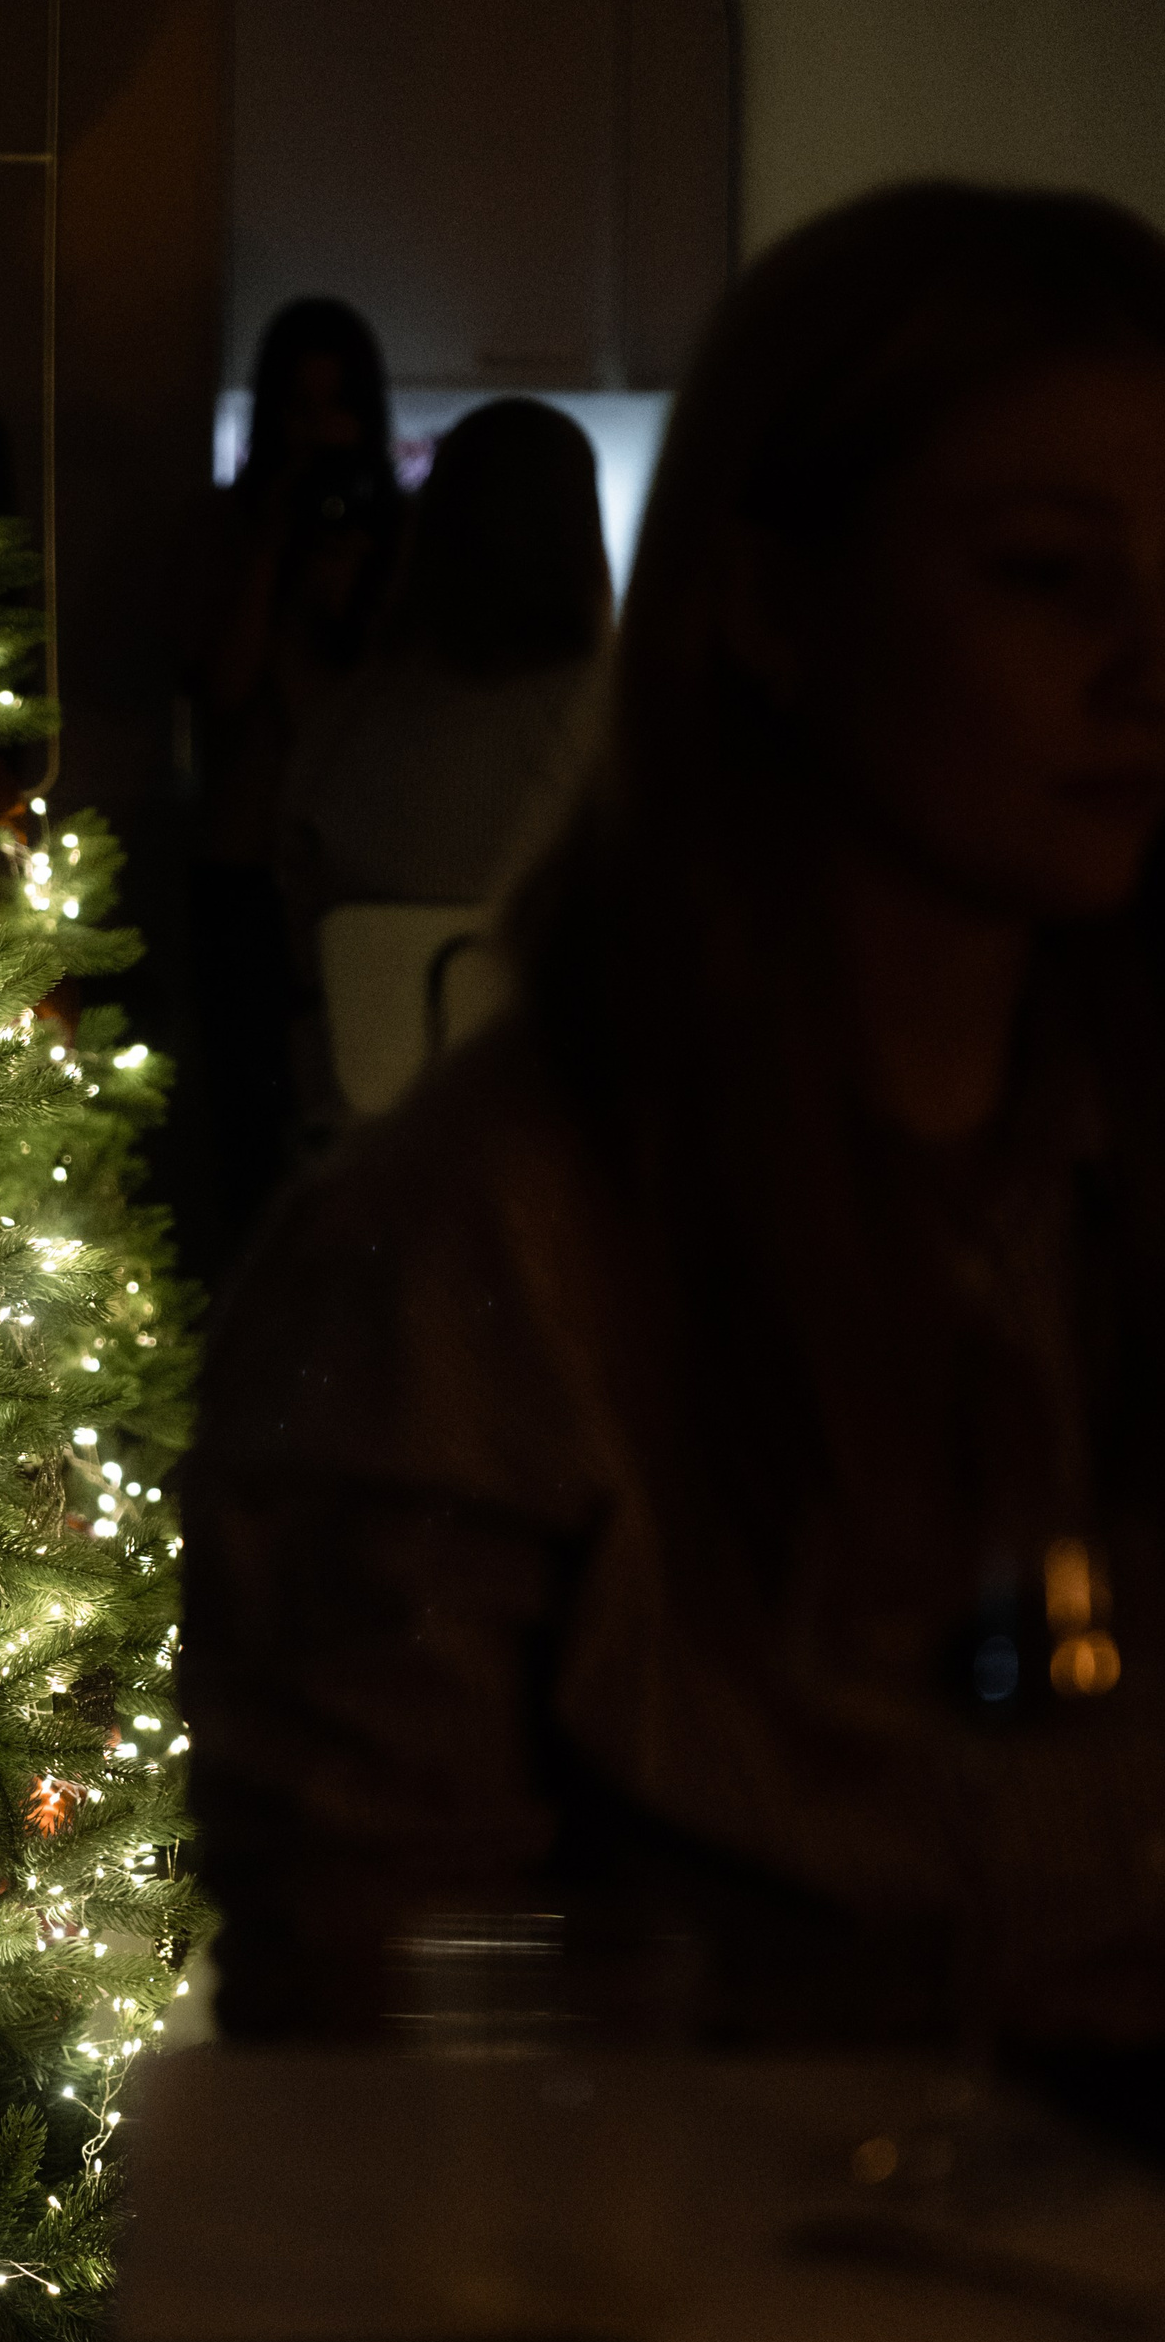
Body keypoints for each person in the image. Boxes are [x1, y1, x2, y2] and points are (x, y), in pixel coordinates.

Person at [182, 184, 1165, 2131]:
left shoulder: (1099, 1170)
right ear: (773, 609)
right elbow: (381, 2050)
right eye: (1050, 574)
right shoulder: (472, 1266)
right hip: (705, 2286)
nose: (1151, 666)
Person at [277, 398, 613, 1131]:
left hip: (360, 1122)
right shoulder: (616, 713)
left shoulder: (355, 710)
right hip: (555, 1123)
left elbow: (301, 913)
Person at [172, 299, 406, 1267]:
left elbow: (391, 706)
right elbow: (222, 688)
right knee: (248, 1131)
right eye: (299, 409)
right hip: (243, 864)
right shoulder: (228, 530)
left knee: (363, 1125)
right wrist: (271, 548)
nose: (318, 433)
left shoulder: (397, 537)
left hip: (355, 868)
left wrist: (352, 581)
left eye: (337, 406)